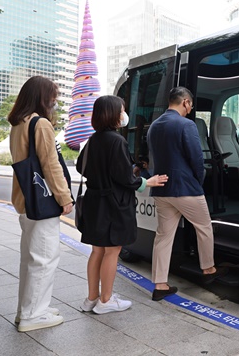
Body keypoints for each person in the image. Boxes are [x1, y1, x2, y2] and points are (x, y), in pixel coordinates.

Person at [77, 96, 168, 314]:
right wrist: (148, 181)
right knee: (112, 251)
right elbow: (124, 179)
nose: (123, 114)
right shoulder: (117, 141)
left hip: (94, 202)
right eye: (121, 110)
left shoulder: (93, 140)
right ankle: (106, 300)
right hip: (113, 205)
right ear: (112, 114)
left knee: (97, 250)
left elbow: (83, 167)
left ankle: (91, 299)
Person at [147, 86, 228, 301]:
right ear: (185, 102)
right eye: (190, 105)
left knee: (163, 237)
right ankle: (208, 269)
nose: (190, 109)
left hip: (162, 189)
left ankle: (160, 284)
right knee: (204, 227)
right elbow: (197, 159)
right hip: (186, 188)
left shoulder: (154, 126)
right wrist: (198, 182)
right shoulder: (186, 125)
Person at [8, 76, 73, 332]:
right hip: (41, 202)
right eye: (53, 96)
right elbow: (50, 165)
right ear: (42, 97)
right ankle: (34, 314)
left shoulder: (18, 123)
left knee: (30, 259)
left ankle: (27, 309)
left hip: (25, 200)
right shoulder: (41, 123)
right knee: (44, 258)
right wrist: (64, 198)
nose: (55, 101)